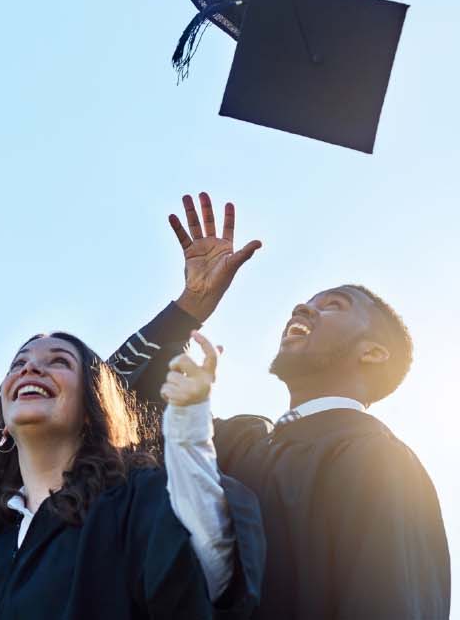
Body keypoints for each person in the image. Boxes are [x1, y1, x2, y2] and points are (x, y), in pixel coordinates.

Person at [112, 193, 449, 619]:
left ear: (373, 353)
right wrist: (189, 307)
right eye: (310, 299)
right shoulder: (229, 445)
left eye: (333, 305)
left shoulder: (381, 461)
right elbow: (111, 407)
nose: (303, 306)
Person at [0, 329, 264, 619]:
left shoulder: (133, 498)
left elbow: (207, 578)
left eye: (58, 361)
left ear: (94, 405)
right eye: (19, 363)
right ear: (4, 424)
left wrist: (189, 429)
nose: (31, 369)